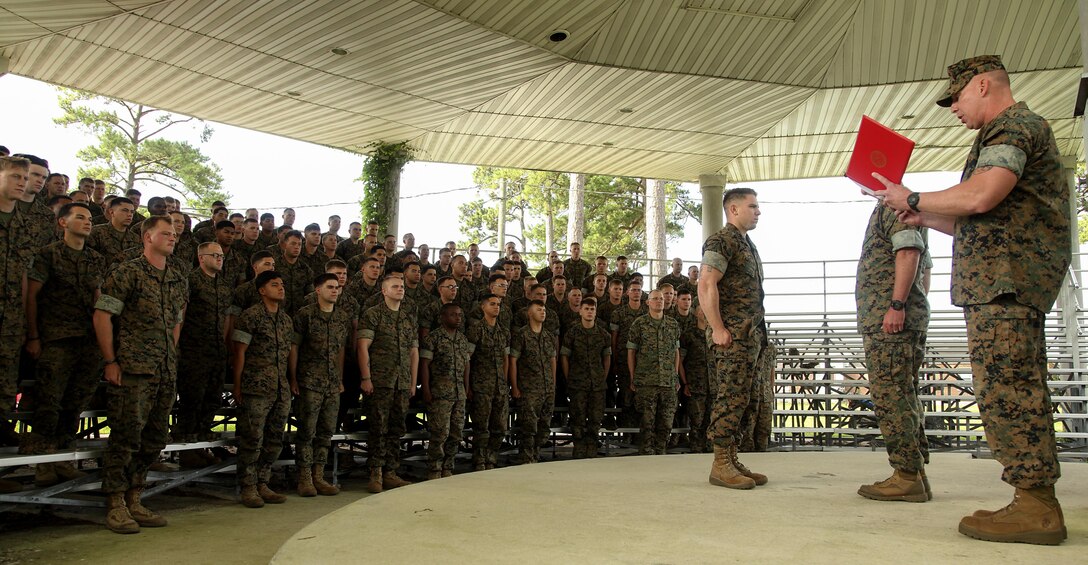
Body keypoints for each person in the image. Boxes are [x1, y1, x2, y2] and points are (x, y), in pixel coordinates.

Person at [878, 55, 1070, 545]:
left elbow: (981, 195)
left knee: (1009, 389)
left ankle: (1036, 505)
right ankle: (1032, 498)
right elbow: (978, 220)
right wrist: (921, 218)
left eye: (957, 97)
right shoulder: (1002, 132)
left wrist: (915, 198)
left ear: (983, 85)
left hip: (1006, 285)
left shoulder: (1014, 127)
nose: (953, 109)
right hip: (998, 282)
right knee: (1005, 387)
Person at [93, 215, 189, 533]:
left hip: (164, 369)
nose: (173, 237)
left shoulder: (177, 276)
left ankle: (136, 496)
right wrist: (110, 360)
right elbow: (103, 315)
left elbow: (177, 319)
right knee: (126, 437)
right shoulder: (128, 272)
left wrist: (170, 354)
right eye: (166, 233)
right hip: (133, 369)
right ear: (147, 237)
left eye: (175, 234)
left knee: (154, 437)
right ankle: (116, 502)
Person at [853, 184, 932, 503]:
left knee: (891, 394)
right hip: (896, 316)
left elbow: (909, 253)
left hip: (891, 320)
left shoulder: (894, 209)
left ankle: (906, 475)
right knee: (904, 393)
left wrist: (898, 305)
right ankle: (915, 471)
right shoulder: (901, 209)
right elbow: (926, 270)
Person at [24, 202, 105, 486]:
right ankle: (42, 463)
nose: (87, 222)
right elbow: (31, 297)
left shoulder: (95, 258)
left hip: (88, 341)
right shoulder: (47, 255)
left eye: (89, 218)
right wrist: (33, 336)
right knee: (50, 402)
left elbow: (98, 298)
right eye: (79, 217)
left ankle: (62, 457)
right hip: (56, 338)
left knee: (75, 403)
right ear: (62, 223)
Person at [698, 187, 768, 490]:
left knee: (745, 397)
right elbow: (706, 284)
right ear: (733, 210)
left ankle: (732, 456)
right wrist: (717, 328)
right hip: (732, 337)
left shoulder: (745, 243)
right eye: (752, 206)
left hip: (749, 336)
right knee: (730, 396)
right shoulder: (721, 240)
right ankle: (720, 463)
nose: (758, 211)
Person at [231, 270, 293, 508]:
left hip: (279, 387)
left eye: (282, 284)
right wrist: (237, 385)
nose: (281, 288)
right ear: (261, 290)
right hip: (256, 387)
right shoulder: (250, 316)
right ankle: (248, 486)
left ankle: (263, 482)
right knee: (252, 438)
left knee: (274, 438)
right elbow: (239, 353)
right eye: (274, 285)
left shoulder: (286, 320)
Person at [290, 273, 352, 497]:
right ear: (318, 290)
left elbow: (341, 350)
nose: (335, 290)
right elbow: (294, 347)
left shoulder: (342, 317)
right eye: (330, 287)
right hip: (309, 381)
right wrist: (294, 378)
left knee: (326, 432)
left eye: (337, 287)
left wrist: (339, 378)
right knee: (307, 431)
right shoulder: (305, 315)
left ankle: (319, 475)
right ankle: (304, 477)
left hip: (332, 383)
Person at [174, 242, 234, 467]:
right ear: (201, 258)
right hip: (193, 350)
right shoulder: (190, 281)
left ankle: (200, 443)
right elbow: (181, 314)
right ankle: (186, 447)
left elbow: (227, 318)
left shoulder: (225, 285)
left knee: (212, 399)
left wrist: (226, 345)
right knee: (192, 399)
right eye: (214, 255)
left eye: (221, 255)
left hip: (216, 351)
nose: (219, 258)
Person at [358, 275, 418, 493]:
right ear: (384, 291)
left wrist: (412, 381)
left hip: (401, 382)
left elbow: (414, 351)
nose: (400, 289)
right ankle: (375, 473)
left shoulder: (408, 317)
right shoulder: (373, 314)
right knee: (378, 428)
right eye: (395, 286)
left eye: (402, 286)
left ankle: (391, 472)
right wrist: (366, 377)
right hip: (380, 381)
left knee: (396, 428)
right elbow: (363, 346)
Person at [419, 303, 472, 479]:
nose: (457, 318)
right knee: (440, 432)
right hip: (440, 393)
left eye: (459, 315)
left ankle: (448, 466)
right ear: (442, 317)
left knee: (456, 432)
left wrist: (466, 387)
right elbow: (425, 366)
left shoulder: (463, 339)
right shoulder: (433, 338)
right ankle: (435, 468)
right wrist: (426, 389)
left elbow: (466, 365)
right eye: (453, 315)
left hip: (459, 393)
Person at [627, 290, 683, 455]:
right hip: (646, 381)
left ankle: (661, 452)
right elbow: (631, 352)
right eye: (655, 299)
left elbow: (676, 352)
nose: (659, 301)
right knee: (647, 422)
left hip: (668, 381)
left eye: (661, 299)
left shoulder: (673, 325)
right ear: (648, 302)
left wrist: (675, 375)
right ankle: (647, 454)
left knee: (666, 422)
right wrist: (632, 376)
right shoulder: (639, 324)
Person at [561, 297, 611, 458]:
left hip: (597, 384)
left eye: (592, 309)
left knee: (596, 418)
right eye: (587, 309)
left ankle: (592, 449)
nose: (590, 312)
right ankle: (579, 449)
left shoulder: (603, 334)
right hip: (577, 383)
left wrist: (603, 376)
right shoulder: (572, 333)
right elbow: (564, 356)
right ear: (580, 311)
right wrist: (569, 377)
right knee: (578, 418)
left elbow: (607, 357)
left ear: (596, 312)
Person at [466, 293, 510, 470]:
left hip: (499, 386)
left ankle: (491, 458)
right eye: (492, 304)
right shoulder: (475, 330)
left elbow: (506, 359)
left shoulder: (504, 332)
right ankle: (479, 460)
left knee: (499, 426)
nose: (496, 307)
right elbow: (468, 359)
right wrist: (468, 385)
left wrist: (505, 382)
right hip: (481, 386)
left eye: (498, 304)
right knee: (481, 427)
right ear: (483, 307)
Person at [509, 300, 556, 464]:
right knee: (529, 427)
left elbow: (552, 361)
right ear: (529, 313)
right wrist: (514, 386)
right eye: (538, 309)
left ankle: (536, 454)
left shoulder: (548, 336)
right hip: (529, 389)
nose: (543, 312)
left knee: (544, 426)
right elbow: (513, 361)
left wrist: (553, 385)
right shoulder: (521, 335)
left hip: (547, 388)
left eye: (544, 309)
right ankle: (526, 458)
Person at [87, 197, 140, 268]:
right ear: (111, 212)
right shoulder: (96, 232)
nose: (129, 215)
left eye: (132, 212)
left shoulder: (136, 239)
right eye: (125, 210)